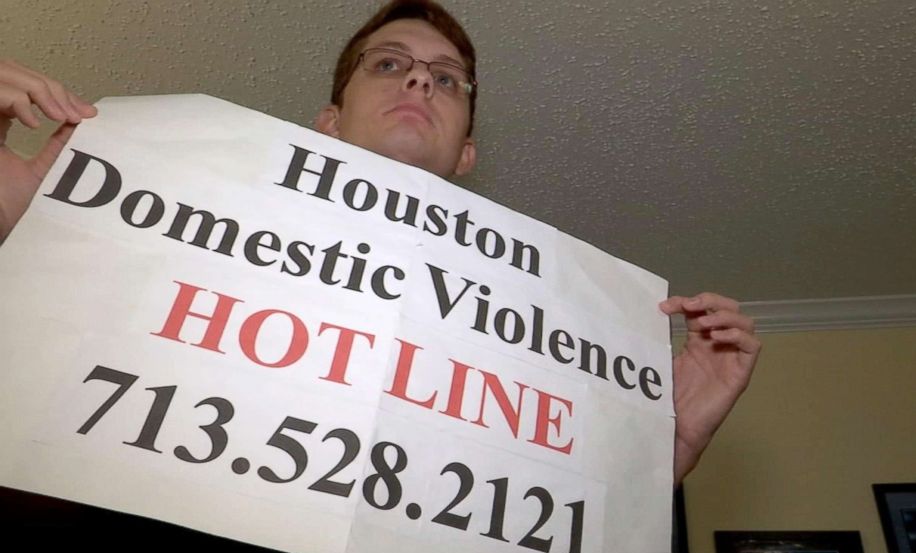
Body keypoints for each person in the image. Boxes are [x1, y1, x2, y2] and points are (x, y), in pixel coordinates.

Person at [0, 0, 759, 486]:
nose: (420, 84)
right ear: (329, 120)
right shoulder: (177, 224)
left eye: (448, 78)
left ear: (467, 153)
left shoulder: (543, 327)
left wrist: (664, 456)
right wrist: (25, 227)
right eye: (390, 64)